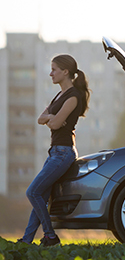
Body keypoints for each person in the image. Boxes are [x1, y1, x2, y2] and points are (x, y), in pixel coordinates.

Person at [18, 54, 90, 246]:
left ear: (65, 72)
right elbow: (41, 119)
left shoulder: (74, 96)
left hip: (64, 152)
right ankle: (26, 241)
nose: (51, 74)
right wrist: (52, 117)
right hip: (55, 152)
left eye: (54, 69)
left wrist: (52, 118)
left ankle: (50, 236)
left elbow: (55, 123)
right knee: (39, 195)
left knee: (32, 192)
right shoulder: (59, 95)